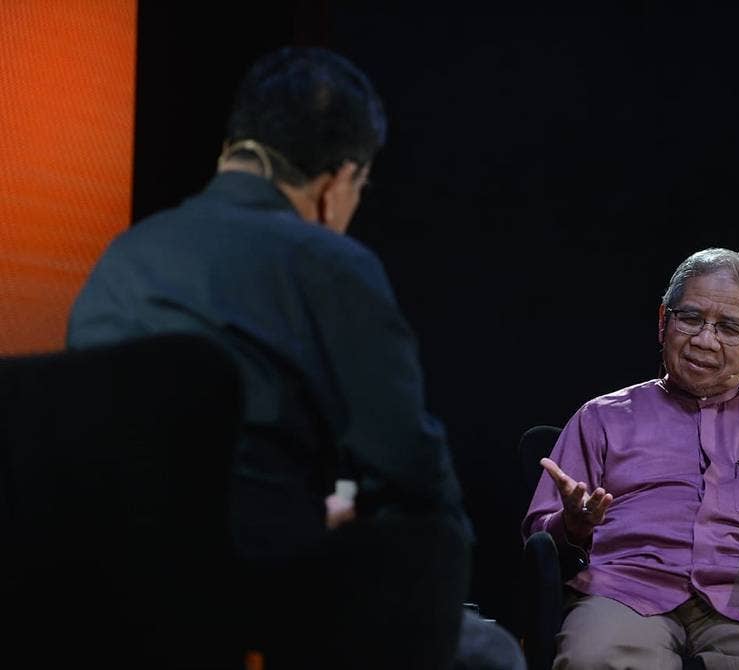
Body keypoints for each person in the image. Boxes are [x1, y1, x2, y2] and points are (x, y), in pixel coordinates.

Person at [68, 46, 523, 669]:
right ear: (339, 181)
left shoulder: (122, 257)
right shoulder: (330, 264)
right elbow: (411, 471)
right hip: (246, 587)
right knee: (485, 641)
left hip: (97, 583)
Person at [522, 248, 739, 670]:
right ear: (664, 322)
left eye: (729, 327)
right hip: (626, 591)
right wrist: (572, 525)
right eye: (691, 318)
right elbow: (540, 535)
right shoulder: (601, 417)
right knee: (593, 659)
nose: (705, 340)